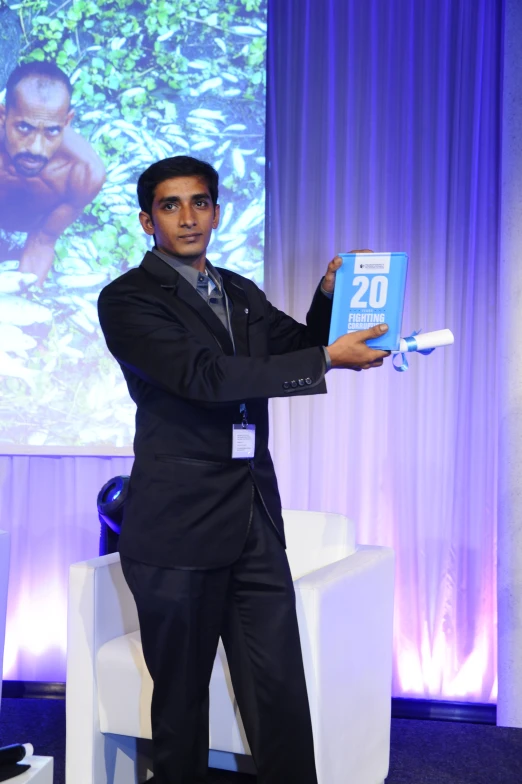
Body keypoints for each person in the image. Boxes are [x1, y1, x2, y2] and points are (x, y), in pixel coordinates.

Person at [97, 155, 390, 784]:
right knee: (181, 706)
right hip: (177, 528)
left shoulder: (237, 290)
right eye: (171, 206)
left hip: (253, 519)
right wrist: (327, 361)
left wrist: (330, 299)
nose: (188, 217)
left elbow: (297, 344)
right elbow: (202, 377)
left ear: (217, 212)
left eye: (200, 203)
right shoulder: (126, 299)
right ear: (148, 220)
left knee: (280, 692)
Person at [0, 61, 105, 284]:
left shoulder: (83, 173)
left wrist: (26, 300)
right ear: (3, 116)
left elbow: (43, 239)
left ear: (67, 122)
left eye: (52, 131)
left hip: (32, 226)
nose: (36, 147)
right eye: (24, 128)